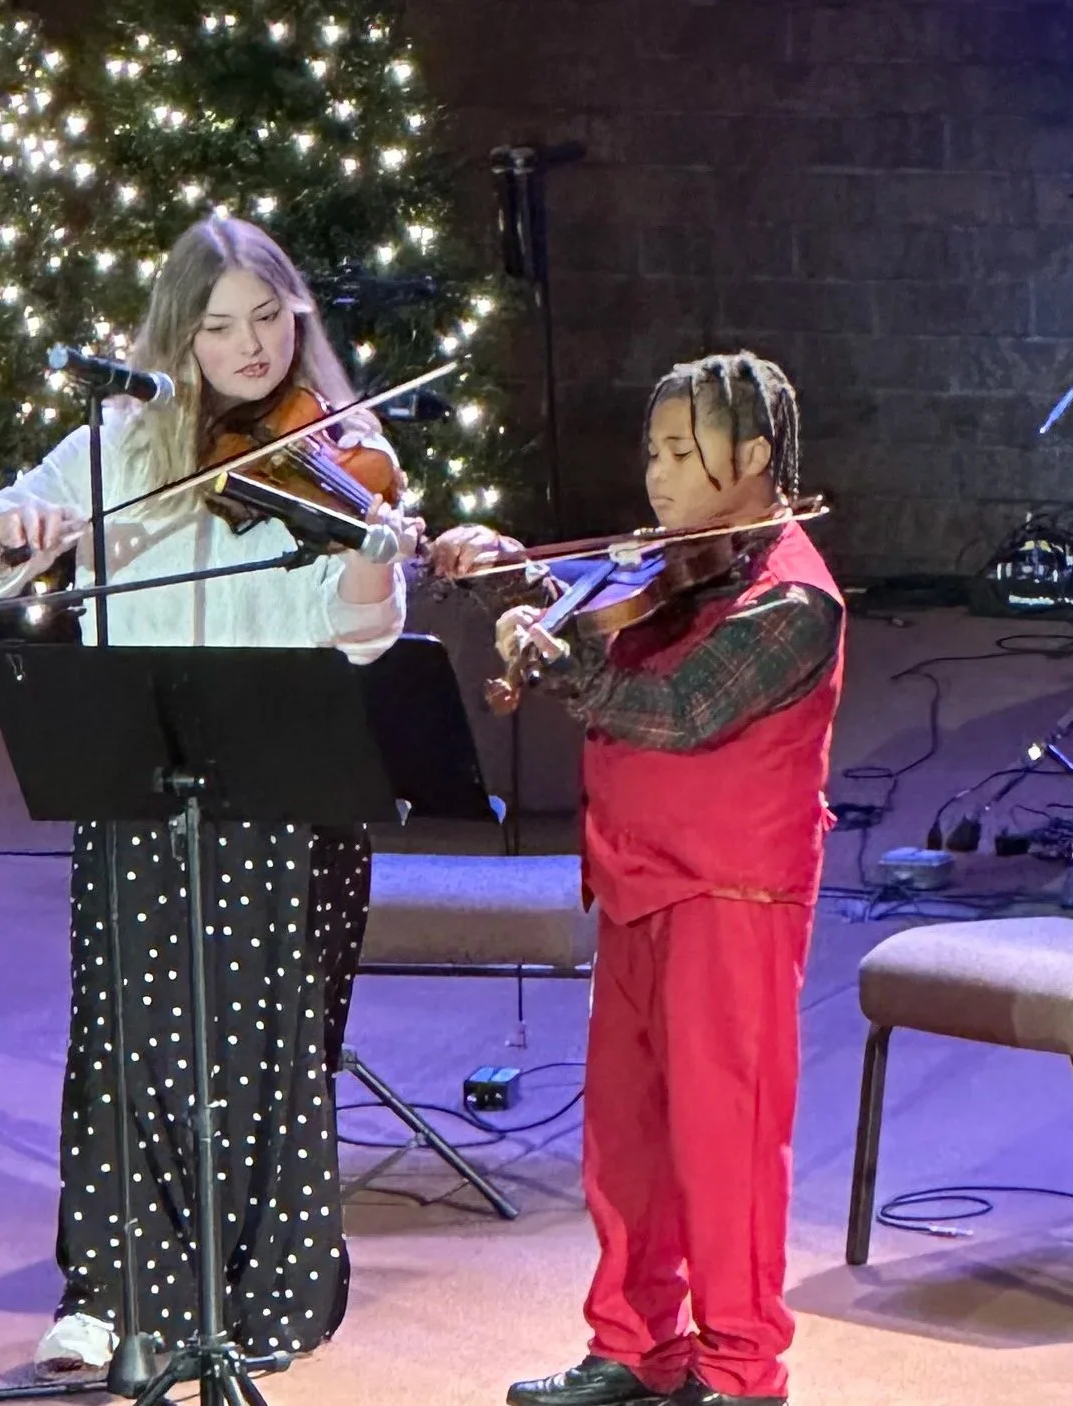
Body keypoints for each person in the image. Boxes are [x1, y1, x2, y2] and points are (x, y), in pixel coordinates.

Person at [0, 214, 419, 1375]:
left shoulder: (337, 452)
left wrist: (369, 559)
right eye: (218, 327)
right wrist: (16, 533)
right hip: (139, 772)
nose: (248, 347)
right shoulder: (118, 443)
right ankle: (107, 1290)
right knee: (127, 1038)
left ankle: (255, 1293)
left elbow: (361, 641)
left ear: (296, 315)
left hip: (277, 782)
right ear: (179, 334)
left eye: (267, 317)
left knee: (263, 1043)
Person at [429, 352, 842, 1406]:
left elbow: (681, 710)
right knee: (624, 1140)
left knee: (726, 1147)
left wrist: (563, 663)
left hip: (730, 896)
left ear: (752, 457)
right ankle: (634, 1343)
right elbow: (603, 614)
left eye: (678, 452)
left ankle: (740, 1363)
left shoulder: (794, 599)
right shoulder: (677, 564)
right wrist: (515, 575)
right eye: (650, 450)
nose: (655, 476)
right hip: (632, 881)